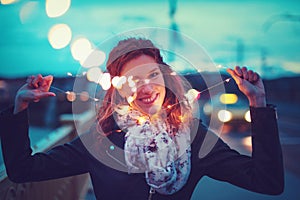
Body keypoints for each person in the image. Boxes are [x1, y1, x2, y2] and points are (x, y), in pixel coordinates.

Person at [0, 38, 284, 200]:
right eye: (134, 79)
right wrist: (20, 107)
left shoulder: (193, 138)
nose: (147, 87)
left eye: (153, 75)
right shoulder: (100, 142)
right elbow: (23, 171)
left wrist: (258, 103)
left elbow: (267, 182)